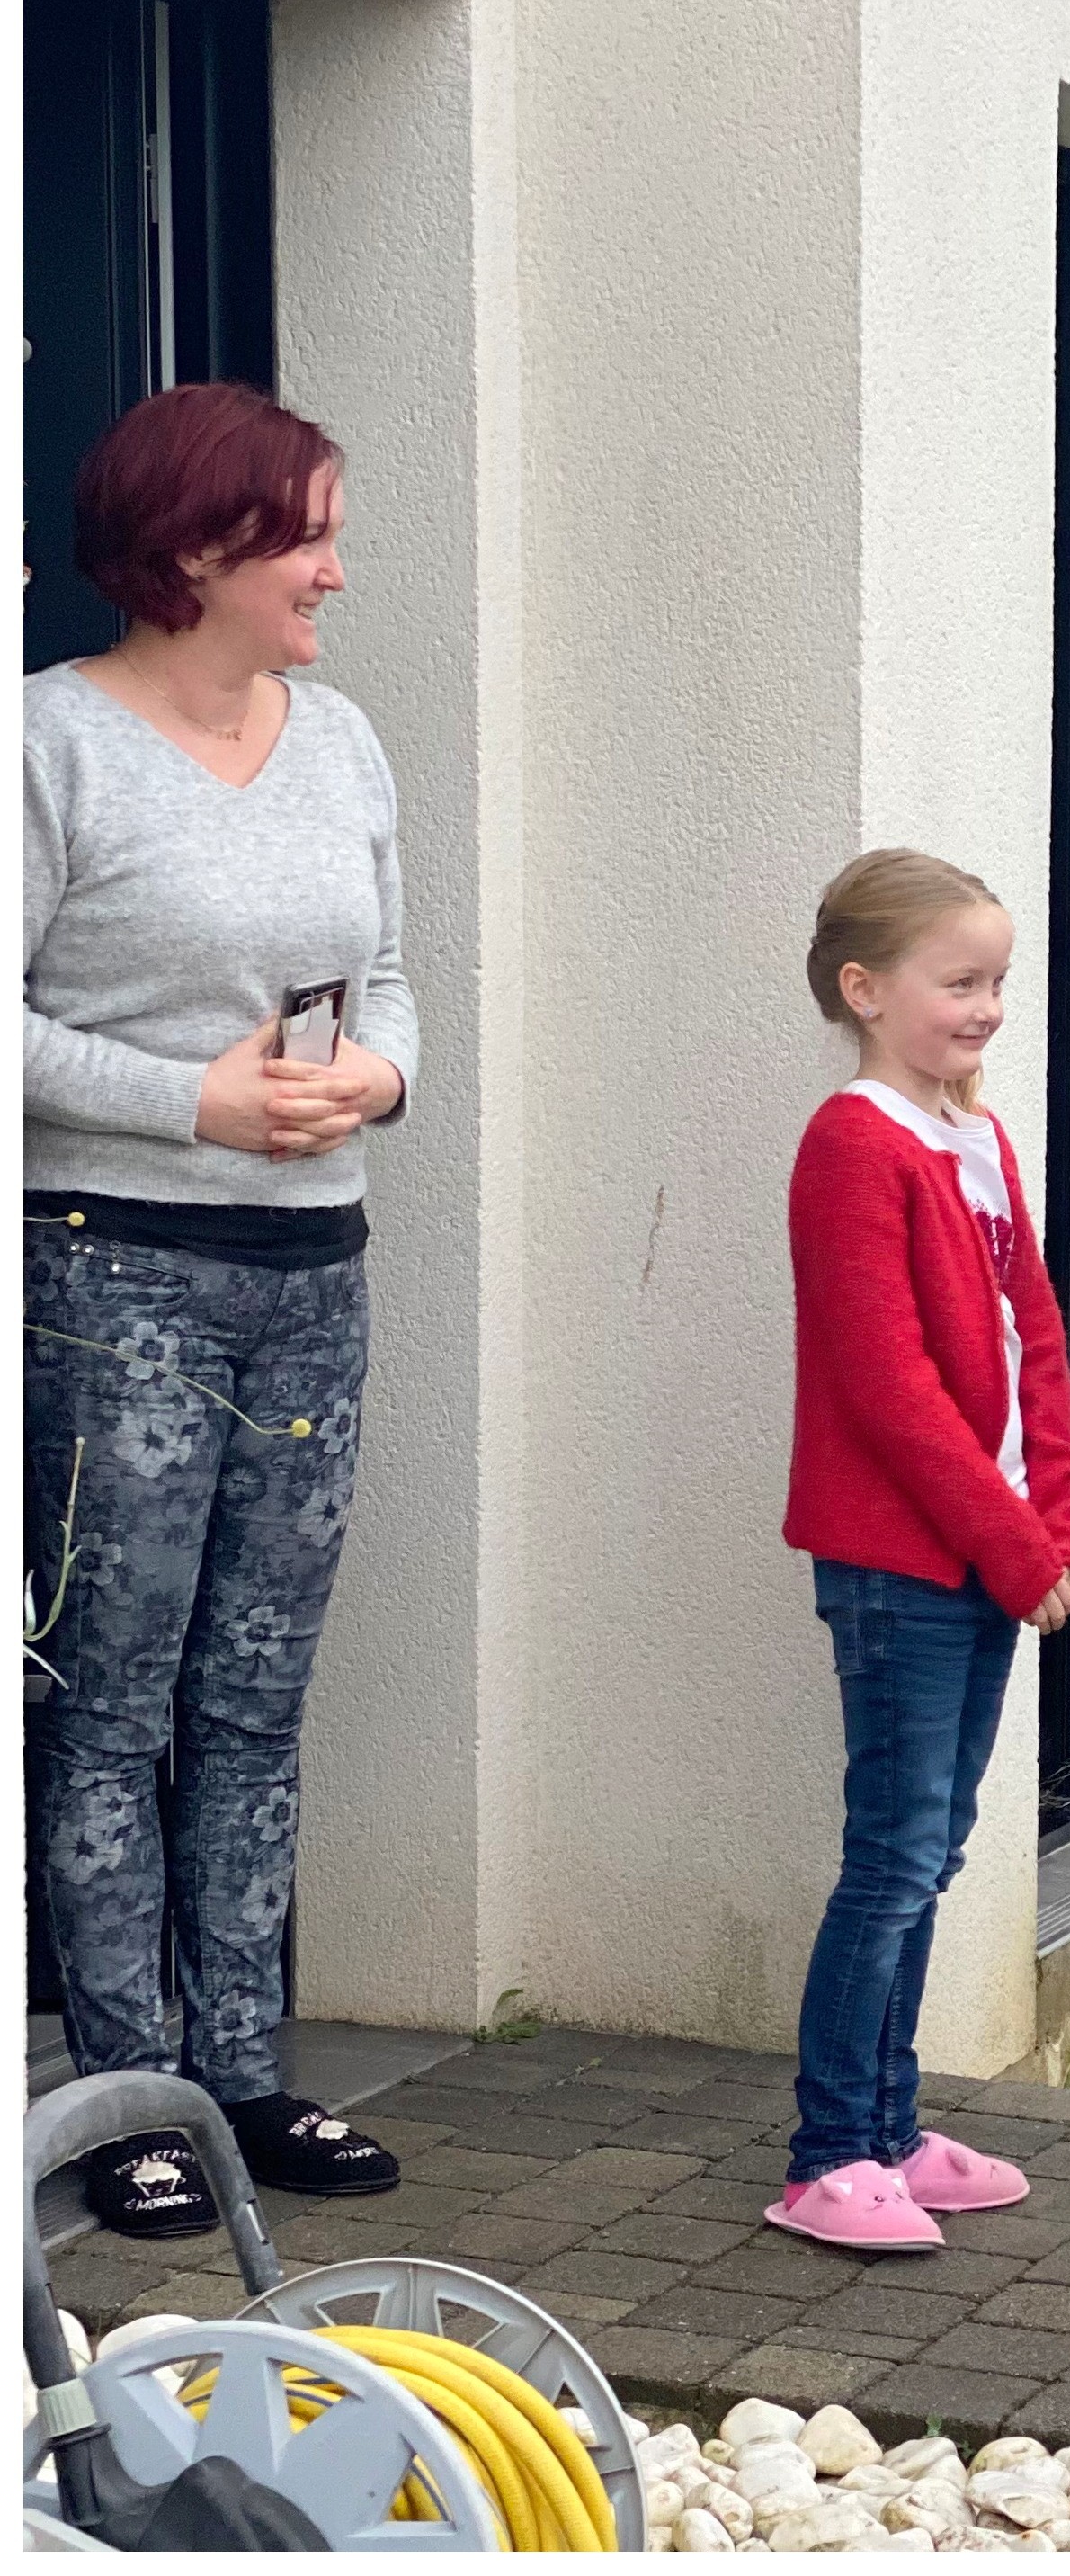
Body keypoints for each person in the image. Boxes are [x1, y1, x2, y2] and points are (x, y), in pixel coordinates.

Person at [22, 382, 420, 2238]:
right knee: (110, 1702)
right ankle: (126, 2101)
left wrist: (378, 1088)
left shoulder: (335, 737)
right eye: (309, 534)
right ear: (197, 551)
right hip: (112, 1273)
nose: (335, 567)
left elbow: (394, 980)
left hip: (312, 1277)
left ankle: (244, 2076)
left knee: (259, 1701)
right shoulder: (50, 748)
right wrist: (196, 1099)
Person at [777, 847, 1070, 2253]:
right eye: (959, 981)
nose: (988, 1007)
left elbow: (1041, 1342)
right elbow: (889, 1385)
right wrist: (1011, 1545)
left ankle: (894, 2128)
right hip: (909, 1560)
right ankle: (828, 2149)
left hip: (992, 1550)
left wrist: (1061, 1518)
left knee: (937, 1844)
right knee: (893, 1852)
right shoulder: (855, 1143)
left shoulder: (980, 1140)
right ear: (865, 988)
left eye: (998, 982)